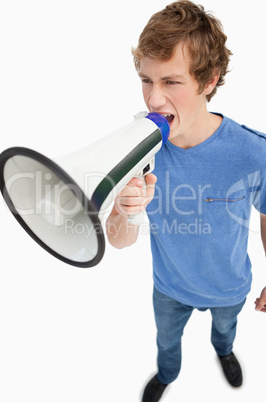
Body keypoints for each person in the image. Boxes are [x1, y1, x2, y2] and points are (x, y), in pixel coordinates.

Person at [106, 1, 266, 401]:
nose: (154, 100)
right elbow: (118, 239)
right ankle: (167, 373)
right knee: (166, 343)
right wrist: (126, 210)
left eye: (171, 82)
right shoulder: (134, 147)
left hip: (230, 289)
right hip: (169, 288)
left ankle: (224, 351)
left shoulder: (253, 153)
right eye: (147, 80)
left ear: (209, 80)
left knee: (226, 332)